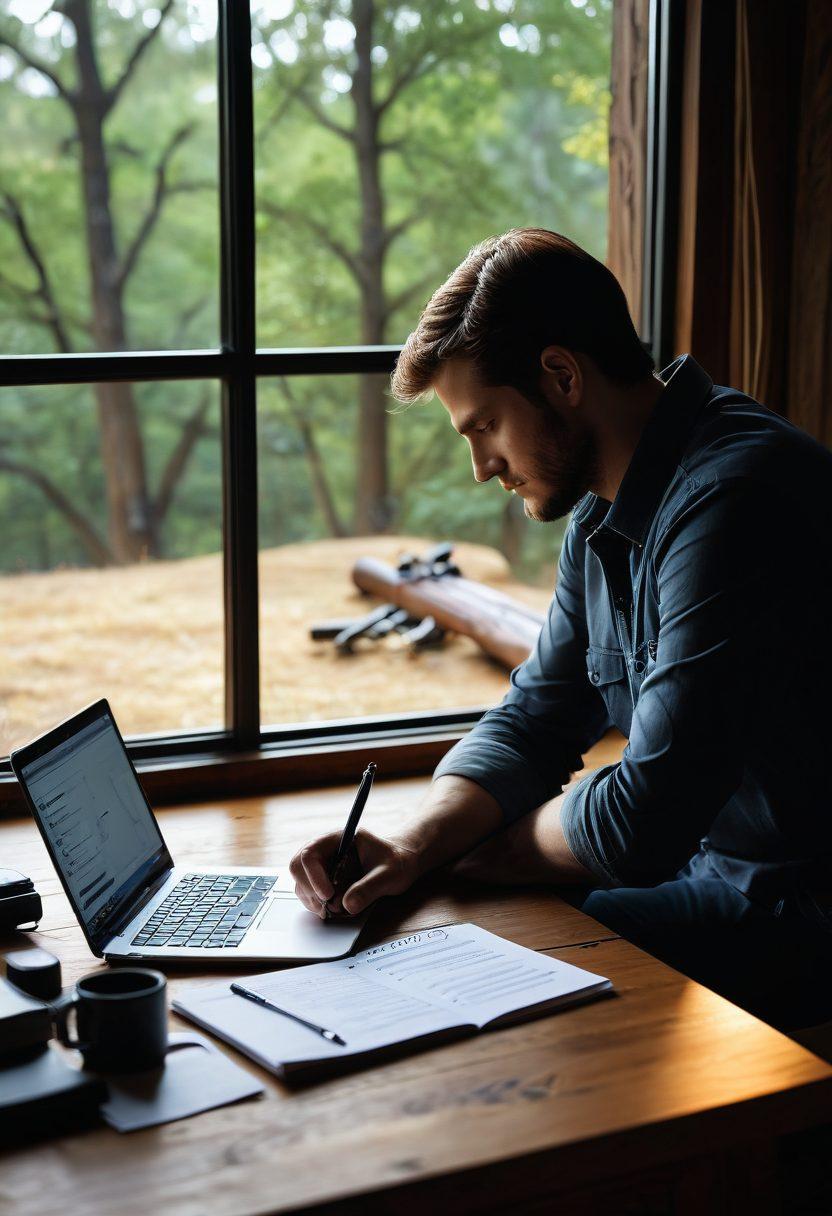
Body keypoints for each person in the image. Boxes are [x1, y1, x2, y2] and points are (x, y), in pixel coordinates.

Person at [290, 228, 832, 1031]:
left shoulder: (734, 501)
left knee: (488, 983)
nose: (480, 467)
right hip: (715, 874)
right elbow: (539, 713)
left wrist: (488, 852)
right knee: (443, 938)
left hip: (802, 913)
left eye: (484, 427)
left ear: (561, 376)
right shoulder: (601, 514)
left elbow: (644, 817)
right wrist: (415, 845)